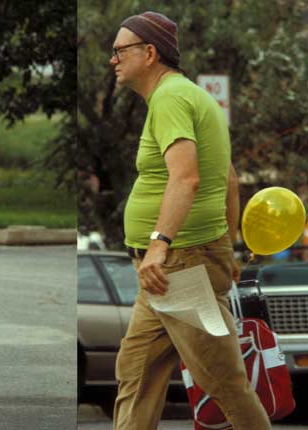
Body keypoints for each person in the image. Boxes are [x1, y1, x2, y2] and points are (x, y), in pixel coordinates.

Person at [109, 11, 271, 430]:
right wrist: (228, 246)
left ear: (149, 53)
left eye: (119, 50)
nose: (113, 59)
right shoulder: (193, 97)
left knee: (223, 380)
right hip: (170, 268)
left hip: (177, 264)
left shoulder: (169, 98)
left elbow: (188, 177)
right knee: (136, 371)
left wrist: (160, 244)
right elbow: (230, 180)